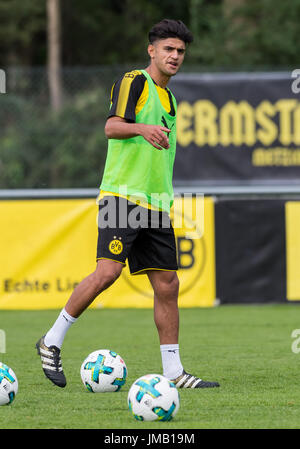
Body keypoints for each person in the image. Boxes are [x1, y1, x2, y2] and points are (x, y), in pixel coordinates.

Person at [36, 19, 220, 390]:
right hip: (122, 195)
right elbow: (111, 127)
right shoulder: (134, 80)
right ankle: (51, 341)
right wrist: (142, 128)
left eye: (180, 51)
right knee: (108, 273)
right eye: (168, 49)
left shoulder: (170, 99)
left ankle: (174, 373)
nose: (175, 56)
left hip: (155, 203)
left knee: (167, 284)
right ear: (152, 50)